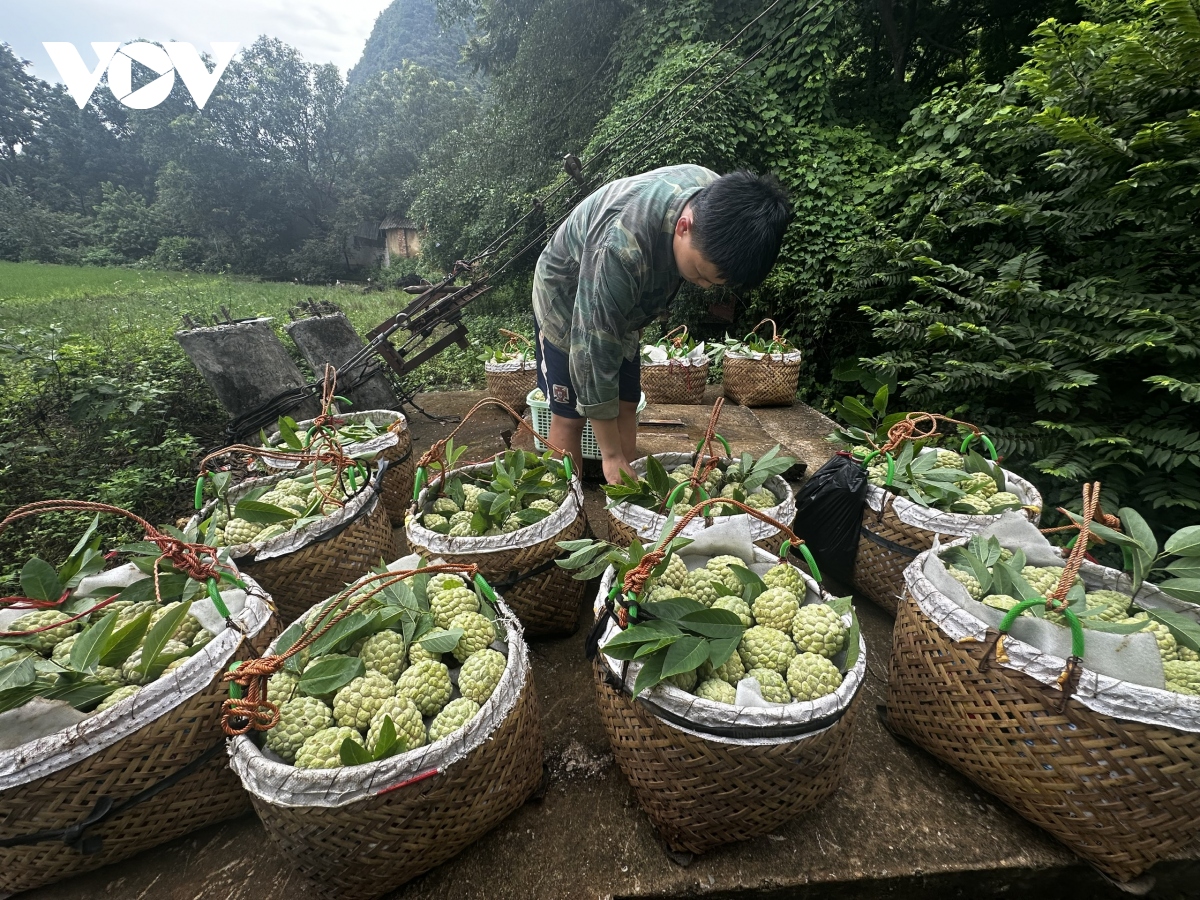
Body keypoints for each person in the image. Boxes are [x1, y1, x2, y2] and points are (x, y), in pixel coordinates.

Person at [532, 164, 791, 484]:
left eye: (713, 281)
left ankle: (623, 496)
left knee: (627, 402)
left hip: (620, 308)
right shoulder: (621, 246)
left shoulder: (715, 200)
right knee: (570, 416)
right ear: (684, 226)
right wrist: (609, 456)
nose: (705, 286)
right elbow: (593, 352)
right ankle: (564, 510)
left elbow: (613, 329)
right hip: (566, 300)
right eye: (699, 274)